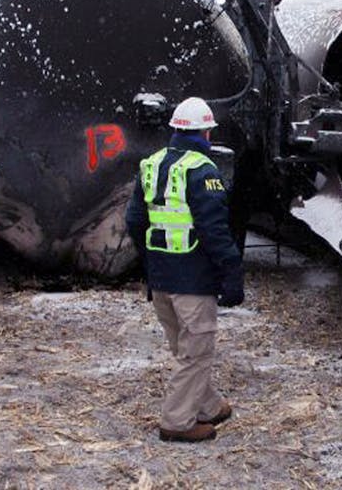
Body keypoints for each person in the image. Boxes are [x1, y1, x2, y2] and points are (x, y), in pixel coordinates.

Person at [125, 96, 245, 443]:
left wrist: (152, 261)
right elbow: (215, 231)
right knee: (196, 351)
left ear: (175, 129)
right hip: (193, 280)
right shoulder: (203, 171)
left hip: (161, 277)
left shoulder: (151, 164)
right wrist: (231, 274)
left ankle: (208, 405)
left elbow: (134, 220)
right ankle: (177, 422)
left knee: (185, 346)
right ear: (206, 133)